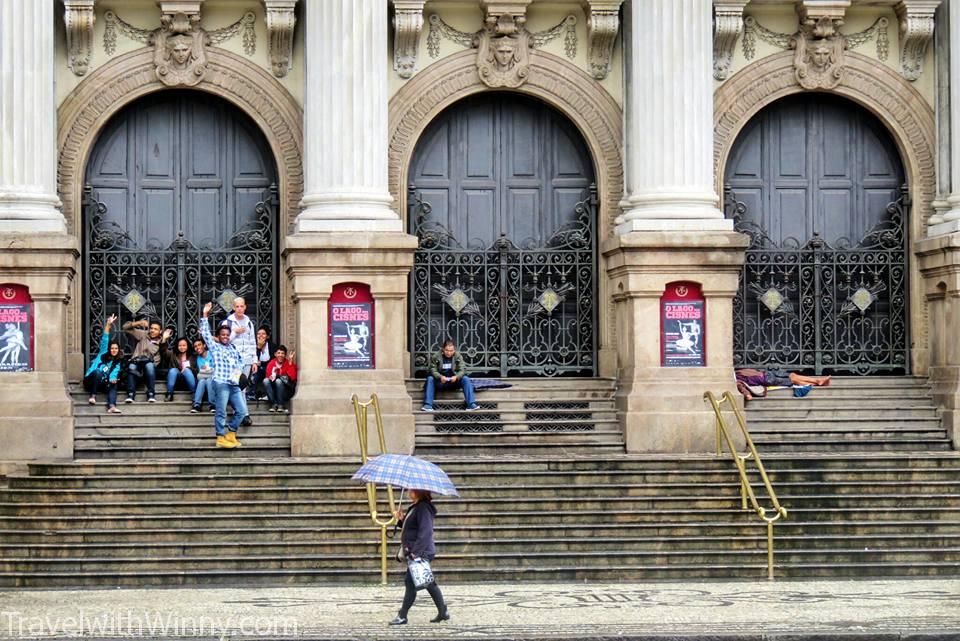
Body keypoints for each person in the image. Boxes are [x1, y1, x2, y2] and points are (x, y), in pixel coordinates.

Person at [389, 489, 449, 626]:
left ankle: (402, 615)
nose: (409, 491)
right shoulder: (416, 506)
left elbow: (426, 531)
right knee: (427, 583)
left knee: (412, 584)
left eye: (412, 490)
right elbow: (412, 527)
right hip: (416, 551)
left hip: (420, 552)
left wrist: (416, 552)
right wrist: (401, 520)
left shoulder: (423, 508)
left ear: (418, 492)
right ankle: (443, 611)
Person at [200, 302, 247, 449]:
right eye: (223, 335)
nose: (225, 337)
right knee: (221, 411)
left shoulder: (233, 347)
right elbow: (206, 334)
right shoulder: (215, 347)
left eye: (227, 335)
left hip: (233, 383)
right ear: (219, 337)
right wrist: (205, 315)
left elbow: (240, 361)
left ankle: (231, 434)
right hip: (221, 382)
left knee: (241, 411)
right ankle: (220, 437)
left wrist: (238, 372)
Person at [123, 318, 171, 403]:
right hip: (137, 362)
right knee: (132, 366)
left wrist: (163, 340)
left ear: (160, 331)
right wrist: (139, 322)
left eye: (155, 329)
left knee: (149, 366)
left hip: (149, 367)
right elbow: (125, 327)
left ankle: (151, 394)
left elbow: (163, 356)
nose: (152, 330)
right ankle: (130, 394)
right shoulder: (143, 335)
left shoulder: (162, 342)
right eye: (151, 328)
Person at [422, 340, 478, 412]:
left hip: (453, 382)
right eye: (447, 350)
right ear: (443, 349)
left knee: (465, 379)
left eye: (451, 351)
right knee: (430, 378)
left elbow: (463, 370)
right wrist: (440, 377)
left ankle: (471, 404)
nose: (449, 353)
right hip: (440, 382)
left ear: (454, 350)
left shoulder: (458, 356)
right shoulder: (436, 356)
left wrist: (456, 377)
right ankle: (428, 405)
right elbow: (432, 370)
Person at [83, 314, 123, 414]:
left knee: (114, 384)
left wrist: (112, 380)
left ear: (118, 350)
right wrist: (108, 325)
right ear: (109, 349)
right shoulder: (103, 353)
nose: (114, 350)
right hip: (90, 381)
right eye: (112, 348)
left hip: (103, 383)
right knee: (98, 371)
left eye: (116, 349)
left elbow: (114, 373)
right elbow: (105, 338)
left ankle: (112, 406)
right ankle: (93, 396)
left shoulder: (117, 362)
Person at [225, 297, 256, 425]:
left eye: (241, 306)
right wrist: (234, 333)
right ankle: (244, 414)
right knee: (238, 387)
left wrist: (254, 360)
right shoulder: (228, 323)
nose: (239, 309)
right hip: (234, 361)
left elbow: (252, 342)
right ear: (233, 307)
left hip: (247, 360)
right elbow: (224, 341)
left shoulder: (249, 323)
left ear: (245, 307)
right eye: (237, 306)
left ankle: (239, 412)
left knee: (242, 387)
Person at [735, 368, 831, 401]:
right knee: (793, 379)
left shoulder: (736, 373)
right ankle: (818, 381)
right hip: (767, 380)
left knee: (793, 376)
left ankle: (818, 381)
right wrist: (747, 395)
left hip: (767, 374)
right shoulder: (736, 381)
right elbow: (741, 388)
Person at [262, 344, 297, 414]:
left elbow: (293, 377)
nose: (280, 355)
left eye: (282, 353)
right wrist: (274, 375)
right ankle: (274, 404)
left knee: (279, 381)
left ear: (285, 355)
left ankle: (280, 404)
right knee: (265, 381)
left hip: (285, 391)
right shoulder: (271, 364)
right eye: (278, 353)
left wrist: (290, 363)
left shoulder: (288, 363)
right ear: (275, 354)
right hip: (273, 391)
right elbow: (269, 378)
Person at [161, 336, 196, 402]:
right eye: (180, 345)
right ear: (177, 346)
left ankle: (194, 394)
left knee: (187, 370)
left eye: (184, 345)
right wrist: (164, 339)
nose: (182, 347)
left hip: (188, 380)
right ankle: (169, 394)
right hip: (175, 380)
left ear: (187, 346)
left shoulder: (193, 356)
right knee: (173, 370)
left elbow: (196, 370)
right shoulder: (173, 354)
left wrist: (187, 368)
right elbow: (163, 352)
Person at [251, 326, 272, 401]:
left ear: (267, 336)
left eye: (263, 334)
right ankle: (253, 393)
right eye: (258, 334)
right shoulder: (253, 345)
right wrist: (258, 348)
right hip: (257, 368)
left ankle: (267, 394)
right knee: (255, 373)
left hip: (268, 367)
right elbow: (252, 357)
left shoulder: (272, 346)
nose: (260, 336)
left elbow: (273, 359)